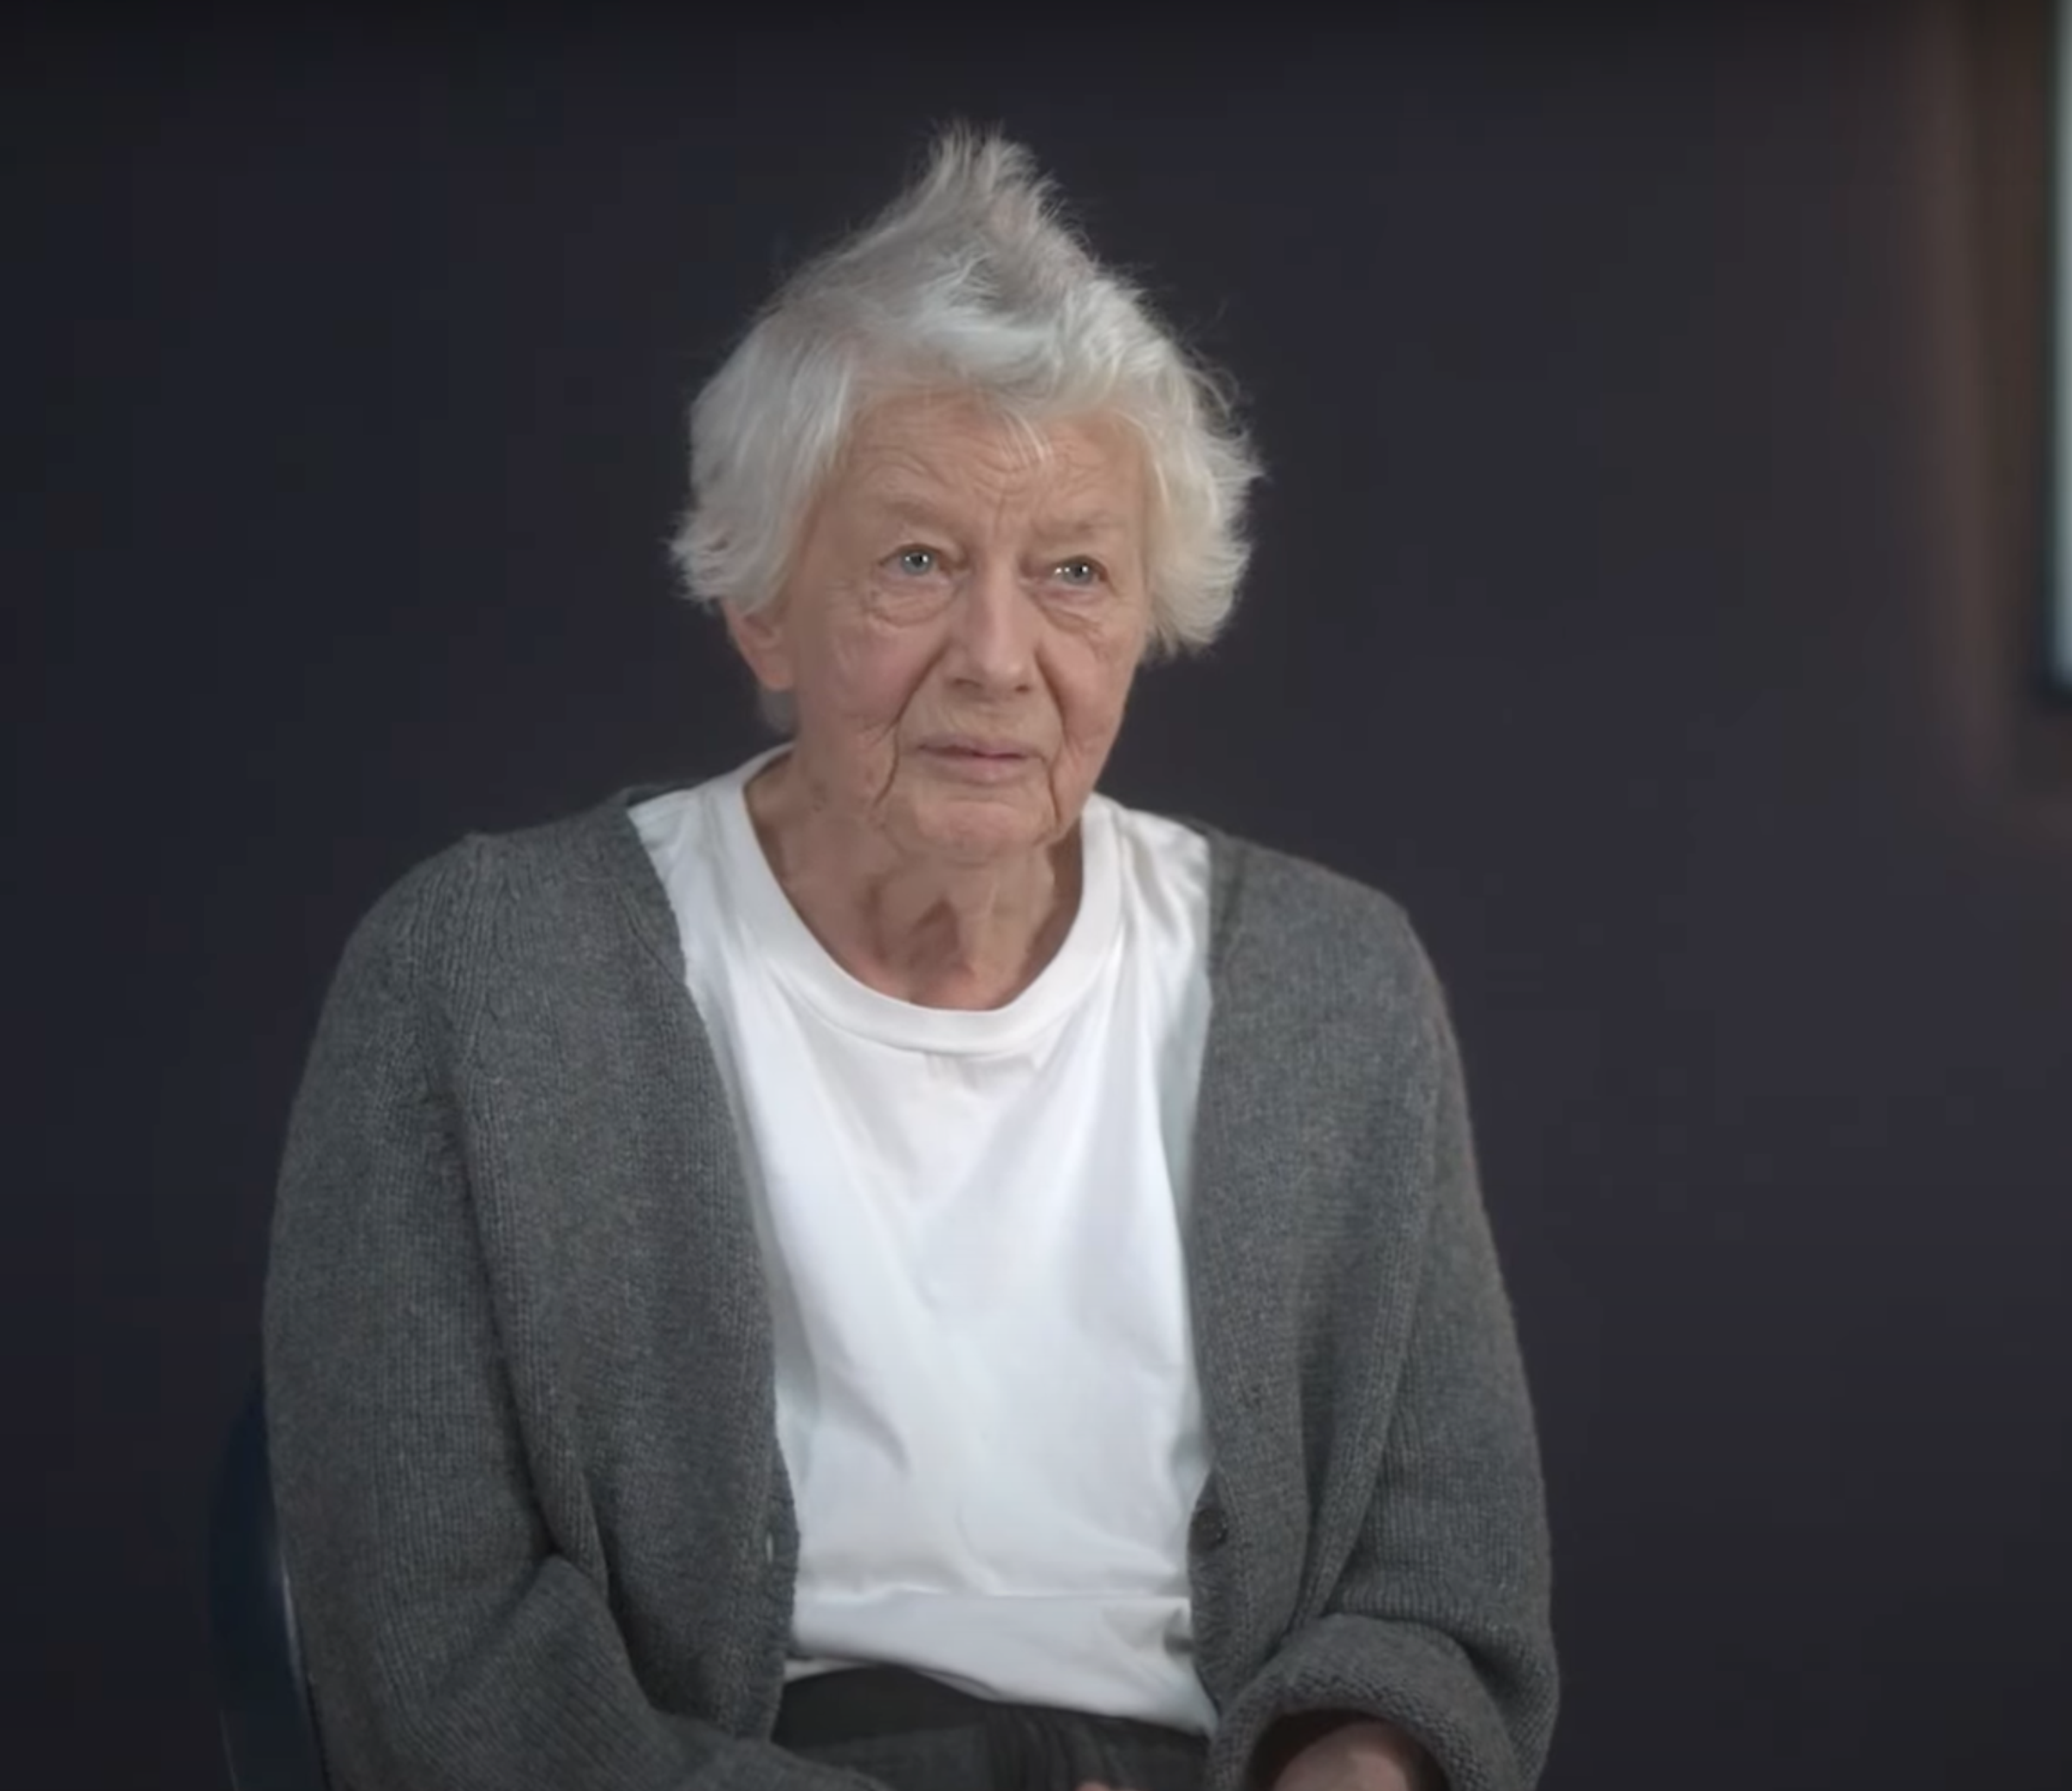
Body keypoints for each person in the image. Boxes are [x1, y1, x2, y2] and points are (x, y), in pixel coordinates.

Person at [261, 128, 1557, 1791]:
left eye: (1075, 572)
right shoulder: (483, 980)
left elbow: (1442, 1587)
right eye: (919, 562)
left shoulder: (1334, 985)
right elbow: (432, 1665)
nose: (999, 658)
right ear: (760, 603)